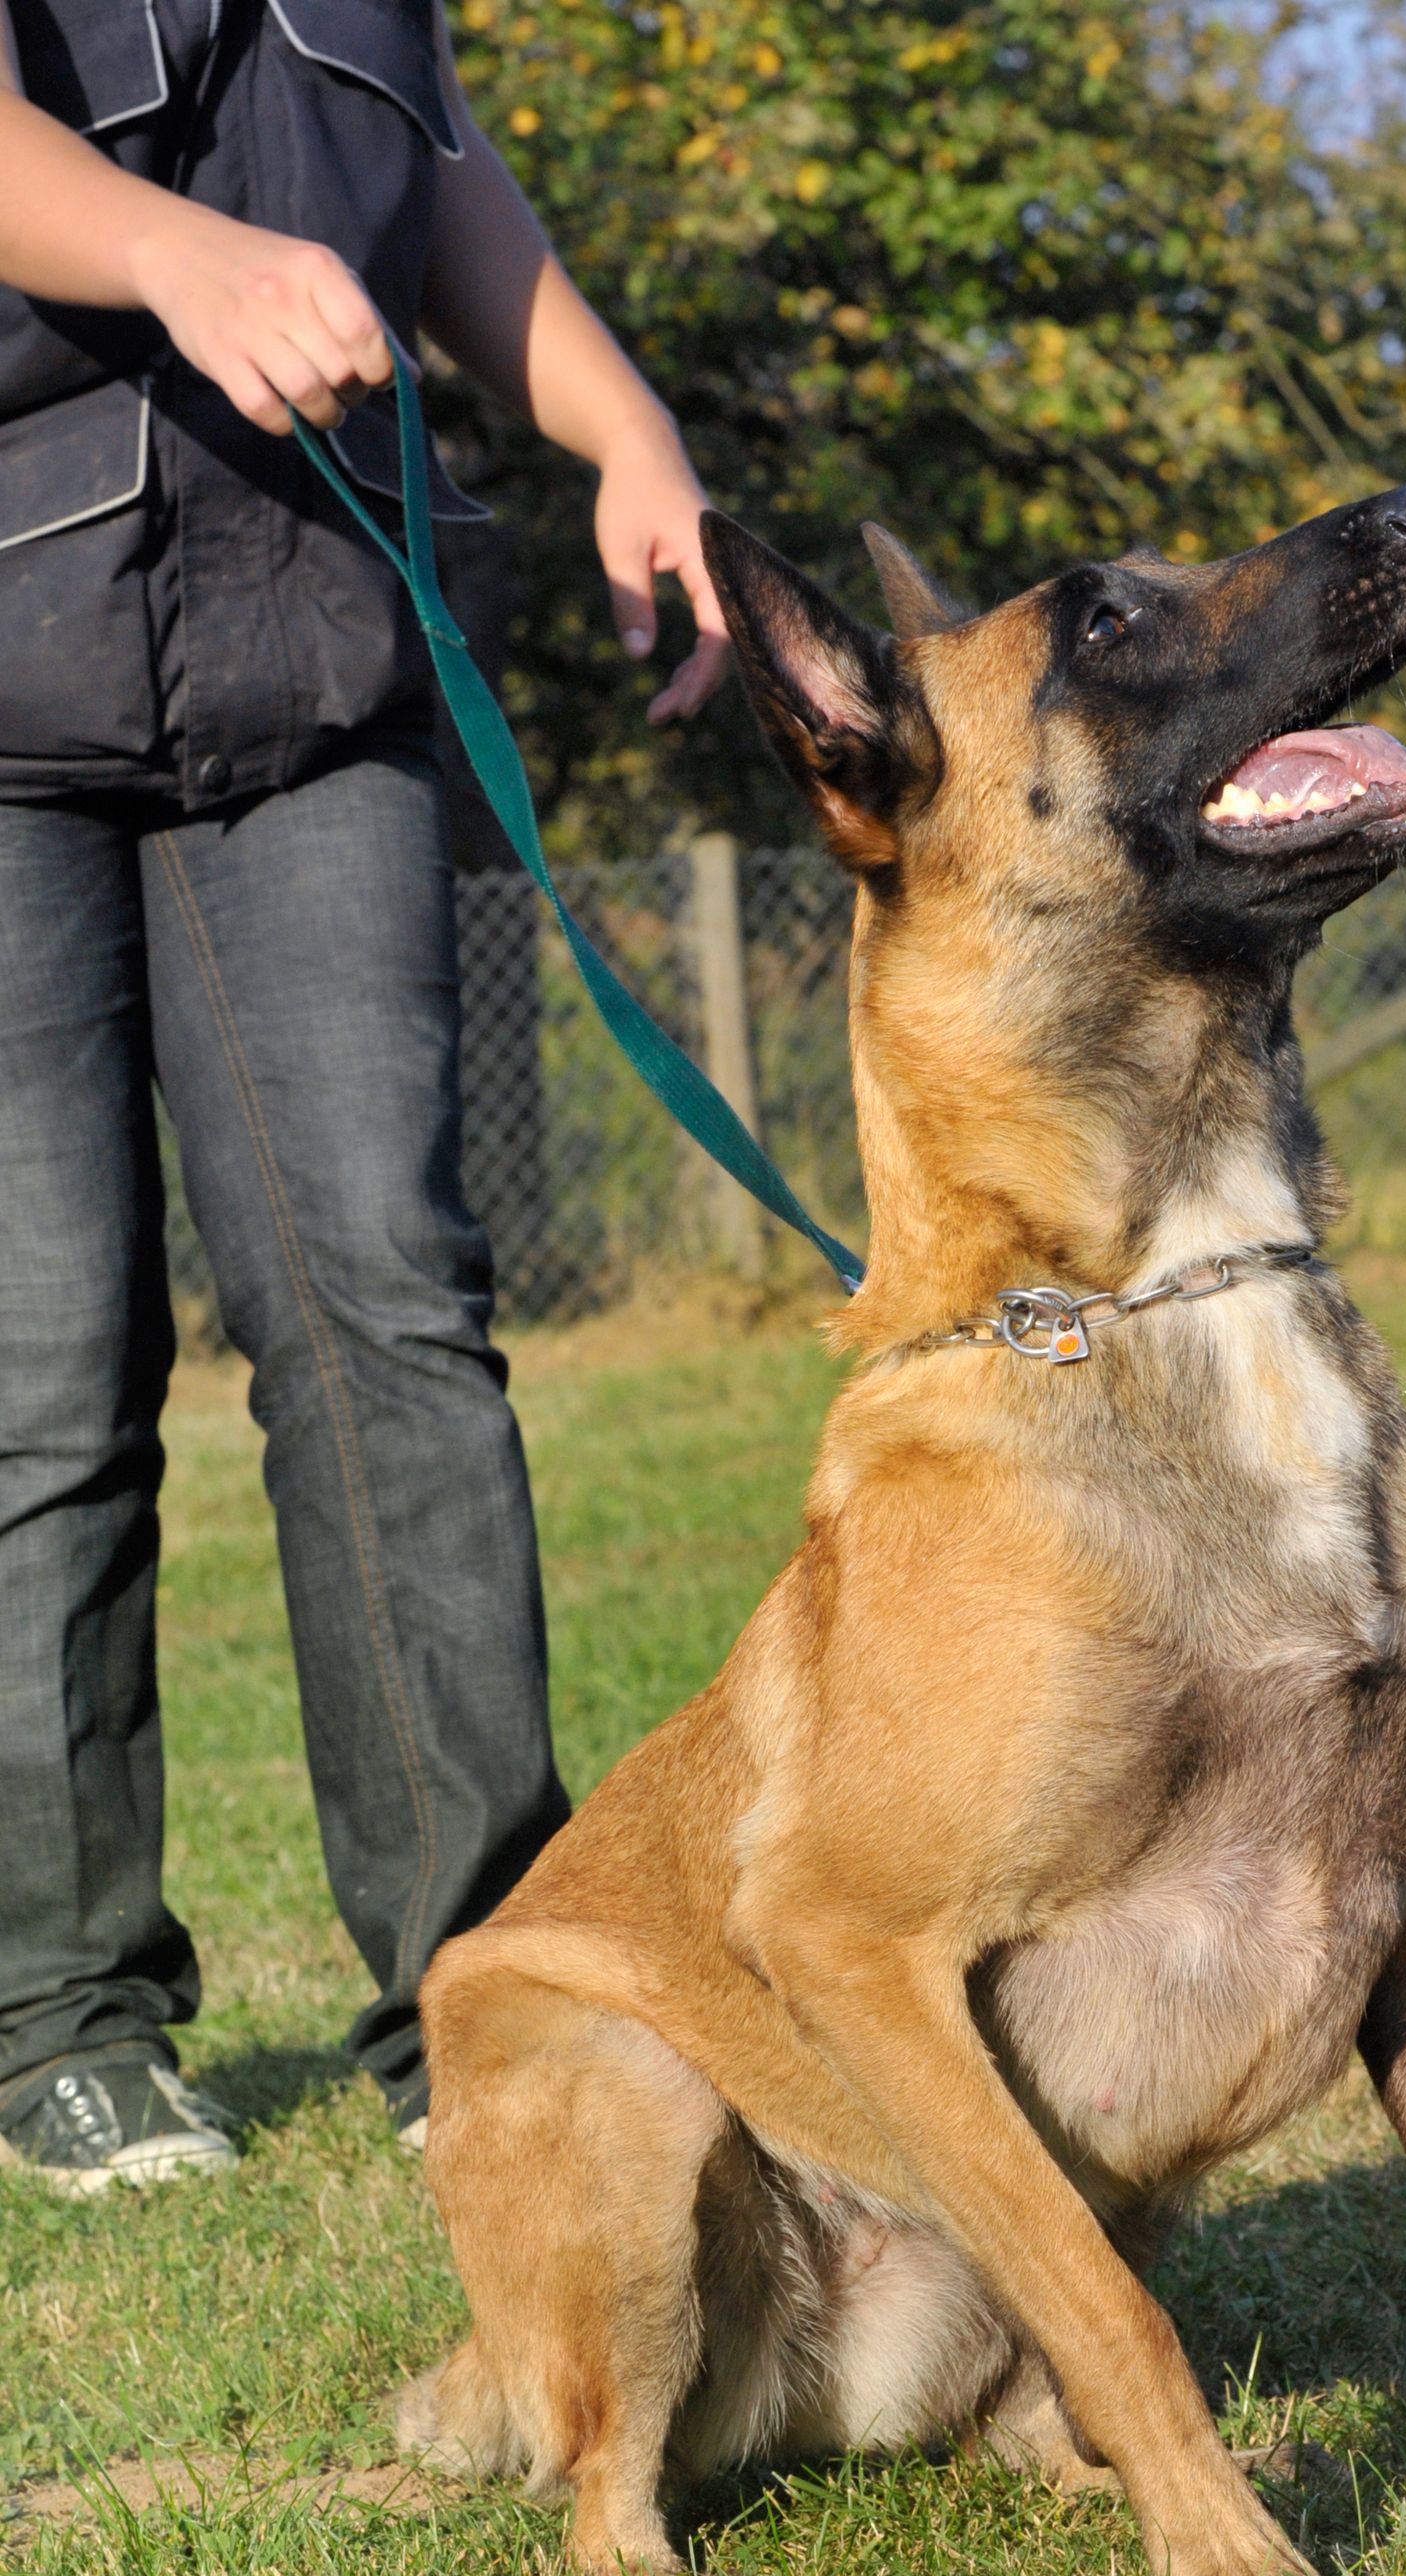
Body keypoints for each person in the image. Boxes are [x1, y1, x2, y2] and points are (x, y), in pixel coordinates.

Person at [0, 0, 728, 2191]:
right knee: (41, 1364)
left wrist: (628, 432)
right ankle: (66, 2023)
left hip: (316, 670)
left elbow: (440, 180)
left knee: (390, 1316)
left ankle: (483, 1990)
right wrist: (175, 252)